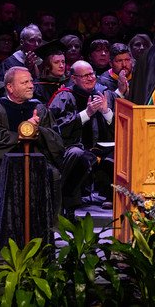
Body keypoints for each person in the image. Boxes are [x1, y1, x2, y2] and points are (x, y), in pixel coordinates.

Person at [0, 66, 64, 218]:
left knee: (52, 174)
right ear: (10, 87)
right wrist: (23, 132)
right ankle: (8, 231)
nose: (31, 85)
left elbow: (56, 141)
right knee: (3, 177)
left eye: (31, 81)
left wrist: (37, 131)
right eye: (25, 82)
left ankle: (47, 230)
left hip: (36, 159)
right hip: (2, 163)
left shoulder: (39, 108)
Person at [49, 60, 115, 211]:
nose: (90, 78)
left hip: (102, 148)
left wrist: (106, 112)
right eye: (85, 76)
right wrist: (87, 113)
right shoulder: (64, 96)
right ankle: (69, 200)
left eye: (91, 74)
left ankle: (111, 196)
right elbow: (57, 128)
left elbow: (120, 126)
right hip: (72, 147)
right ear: (74, 78)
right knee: (78, 154)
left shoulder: (104, 93)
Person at [33, 40, 68, 105]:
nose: (61, 66)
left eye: (63, 62)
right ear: (47, 66)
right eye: (56, 62)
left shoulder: (69, 82)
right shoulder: (38, 88)